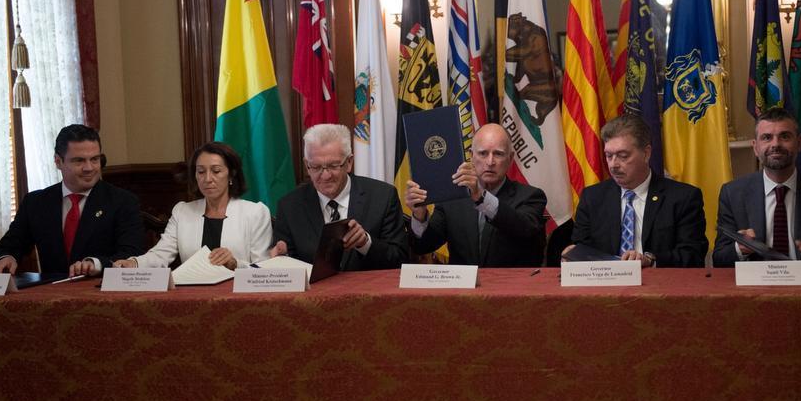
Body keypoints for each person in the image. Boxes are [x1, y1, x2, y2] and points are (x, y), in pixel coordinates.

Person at [0, 124, 144, 277]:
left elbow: (131, 255)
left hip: (102, 292)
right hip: (49, 295)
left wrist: (96, 264)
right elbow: (8, 247)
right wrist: (7, 257)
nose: (89, 168)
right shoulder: (36, 202)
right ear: (58, 161)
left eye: (95, 159)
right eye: (79, 161)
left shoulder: (123, 201)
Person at [712, 107, 801, 267]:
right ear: (755, 147)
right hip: (755, 286)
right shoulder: (733, 193)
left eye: (785, 136)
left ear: (799, 143)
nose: (776, 144)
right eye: (767, 138)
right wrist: (741, 249)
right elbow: (719, 258)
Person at [564, 114, 707, 267]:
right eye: (609, 156)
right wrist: (574, 255)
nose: (613, 165)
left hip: (660, 285)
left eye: (623, 156)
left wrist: (650, 261)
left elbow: (693, 255)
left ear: (646, 154)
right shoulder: (592, 197)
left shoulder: (683, 198)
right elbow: (582, 249)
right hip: (605, 285)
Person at [113, 142, 271, 270]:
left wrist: (235, 264)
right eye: (201, 172)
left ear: (231, 174)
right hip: (192, 295)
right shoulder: (182, 211)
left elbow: (264, 269)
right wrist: (134, 263)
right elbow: (161, 254)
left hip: (238, 296)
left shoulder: (255, 212)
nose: (207, 179)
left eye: (216, 171)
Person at [406, 123, 546, 266]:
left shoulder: (531, 196)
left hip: (509, 286)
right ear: (471, 156)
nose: (490, 162)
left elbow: (525, 231)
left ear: (510, 159)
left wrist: (481, 197)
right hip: (462, 287)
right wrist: (420, 216)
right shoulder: (453, 198)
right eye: (483, 153)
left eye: (498, 154)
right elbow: (423, 246)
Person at [270, 124, 407, 269]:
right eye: (316, 167)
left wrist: (365, 243)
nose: (325, 175)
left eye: (333, 166)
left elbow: (400, 260)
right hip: (317, 291)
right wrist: (280, 262)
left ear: (349, 162)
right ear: (306, 165)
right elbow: (288, 264)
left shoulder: (383, 197)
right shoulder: (289, 207)